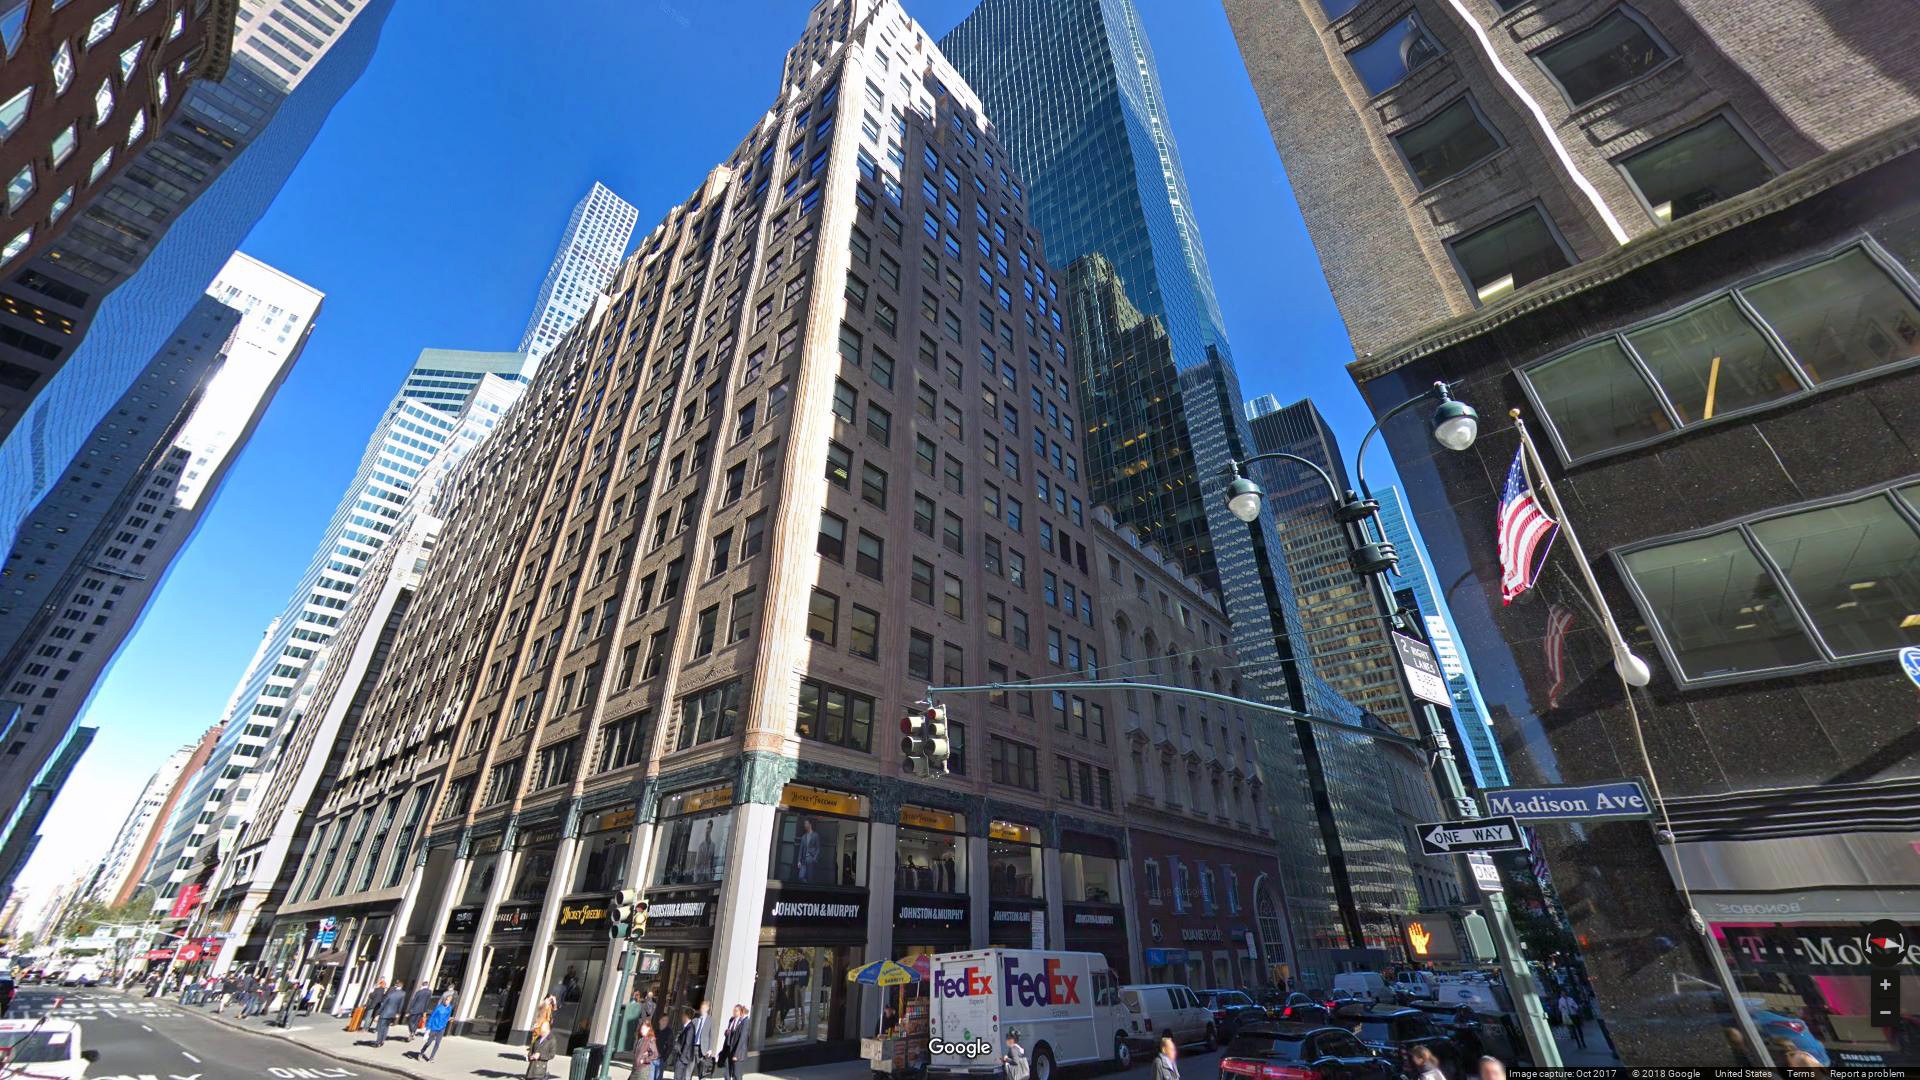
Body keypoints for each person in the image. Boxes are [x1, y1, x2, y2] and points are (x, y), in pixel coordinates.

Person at [527, 995, 557, 1079]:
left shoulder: (550, 1006)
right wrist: (545, 1002)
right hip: (541, 1026)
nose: (550, 1001)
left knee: (545, 1044)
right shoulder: (543, 1005)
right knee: (536, 1043)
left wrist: (554, 1001)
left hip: (546, 1027)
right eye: (549, 999)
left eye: (551, 1000)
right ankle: (532, 1056)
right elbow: (539, 1009)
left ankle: (539, 1070)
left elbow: (555, 1009)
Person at [420, 991, 455, 1062]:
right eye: (446, 1000)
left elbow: (447, 1017)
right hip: (434, 1027)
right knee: (429, 1042)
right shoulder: (439, 1007)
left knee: (437, 1043)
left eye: (448, 1000)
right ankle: (421, 1052)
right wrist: (428, 1028)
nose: (447, 1001)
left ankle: (431, 1058)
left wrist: (448, 1020)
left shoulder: (449, 1008)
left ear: (450, 1001)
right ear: (444, 1000)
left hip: (442, 1028)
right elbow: (432, 1017)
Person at [717, 1004, 749, 1080]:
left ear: (741, 1012)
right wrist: (727, 1032)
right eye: (734, 1010)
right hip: (728, 1049)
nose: (734, 1012)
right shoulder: (732, 1020)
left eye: (736, 1011)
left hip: (738, 1052)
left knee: (736, 1074)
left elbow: (742, 1039)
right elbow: (729, 1033)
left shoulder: (744, 1022)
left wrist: (736, 1054)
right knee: (727, 1072)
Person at [672, 1005, 704, 1080]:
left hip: (683, 1058)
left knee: (678, 1077)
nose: (682, 1017)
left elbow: (688, 1043)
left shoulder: (690, 1028)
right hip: (682, 1057)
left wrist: (682, 1058)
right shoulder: (687, 1027)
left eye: (683, 1015)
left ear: (686, 1016)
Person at [374, 980, 407, 1047]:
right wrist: (398, 1013)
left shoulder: (391, 993)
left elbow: (384, 1004)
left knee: (381, 1027)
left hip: (385, 1013)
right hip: (392, 1013)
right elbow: (401, 1004)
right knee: (386, 1027)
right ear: (402, 987)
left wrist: (378, 1013)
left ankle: (378, 1042)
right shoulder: (403, 994)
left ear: (396, 986)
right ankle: (382, 1040)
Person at [795, 817, 821, 882]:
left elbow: (818, 848)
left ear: (810, 824)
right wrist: (799, 861)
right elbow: (801, 849)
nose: (805, 825)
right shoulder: (803, 837)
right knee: (801, 877)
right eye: (804, 824)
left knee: (810, 878)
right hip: (803, 860)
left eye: (806, 823)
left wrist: (814, 858)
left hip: (811, 859)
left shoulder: (815, 835)